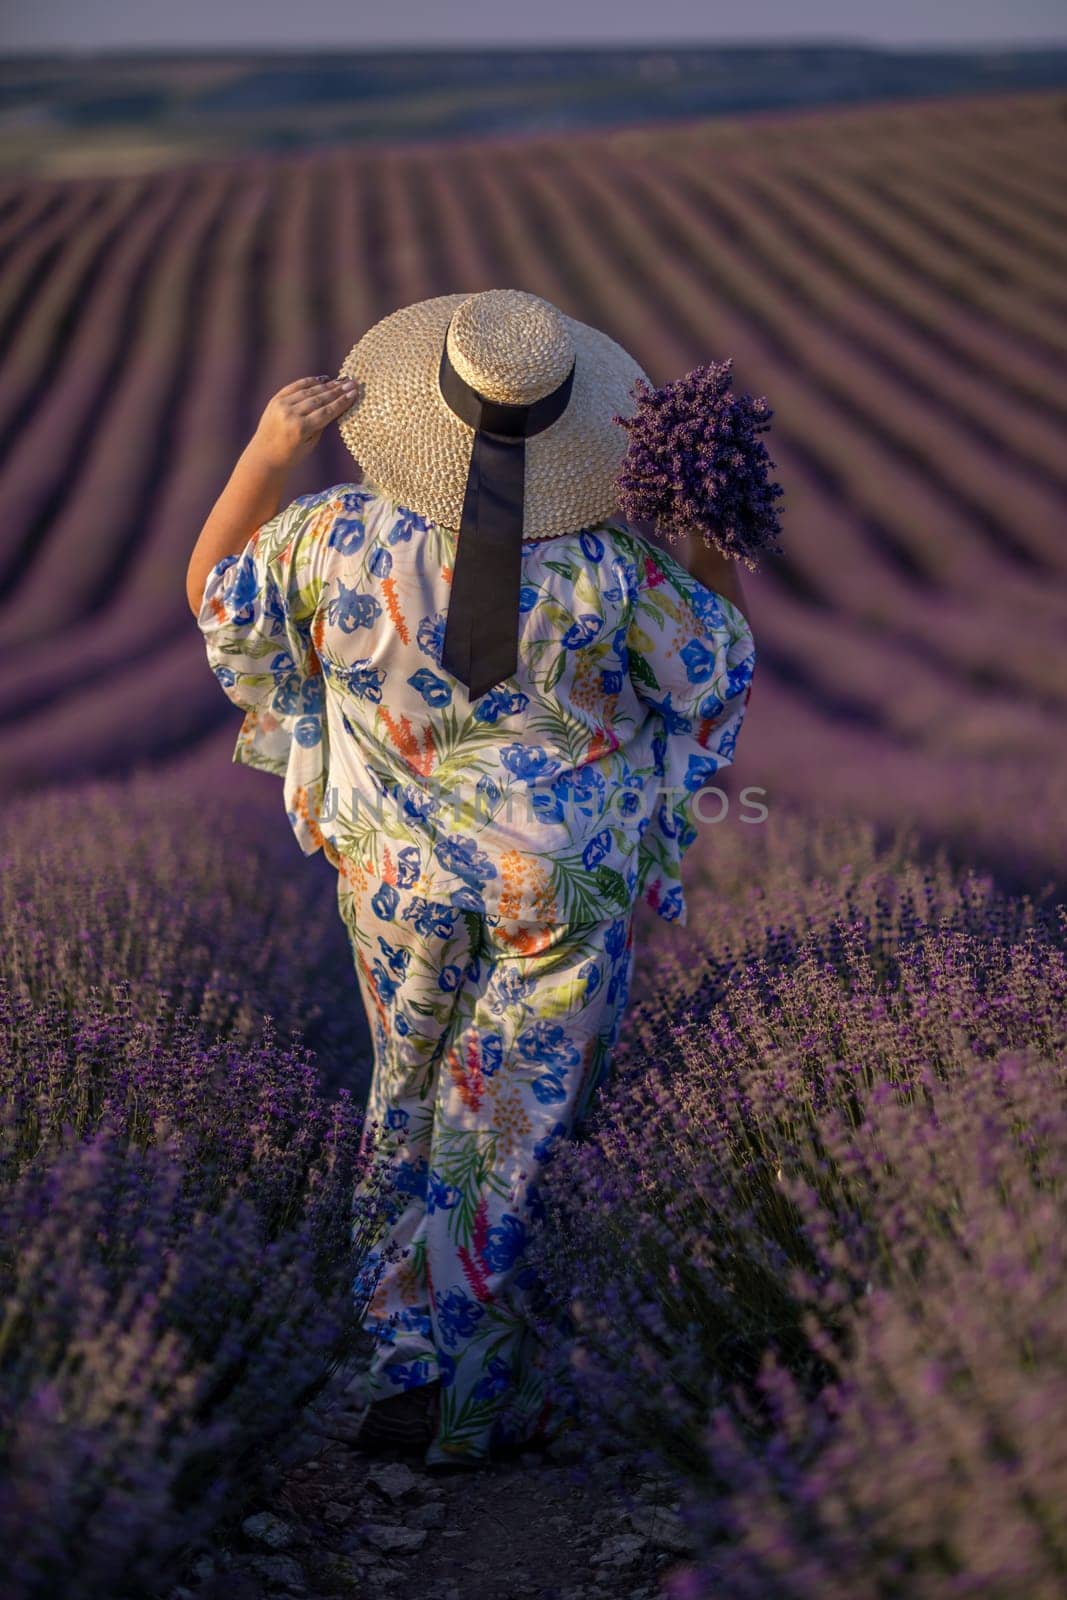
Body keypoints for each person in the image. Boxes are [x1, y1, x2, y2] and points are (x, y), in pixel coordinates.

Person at [186, 289, 757, 1473]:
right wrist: (704, 535)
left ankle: (408, 1372)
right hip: (559, 891)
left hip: (394, 882)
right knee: (515, 1120)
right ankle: (493, 1385)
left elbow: (213, 600)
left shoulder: (330, 536)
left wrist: (266, 451)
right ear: (569, 429)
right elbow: (713, 667)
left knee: (407, 1093)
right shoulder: (612, 570)